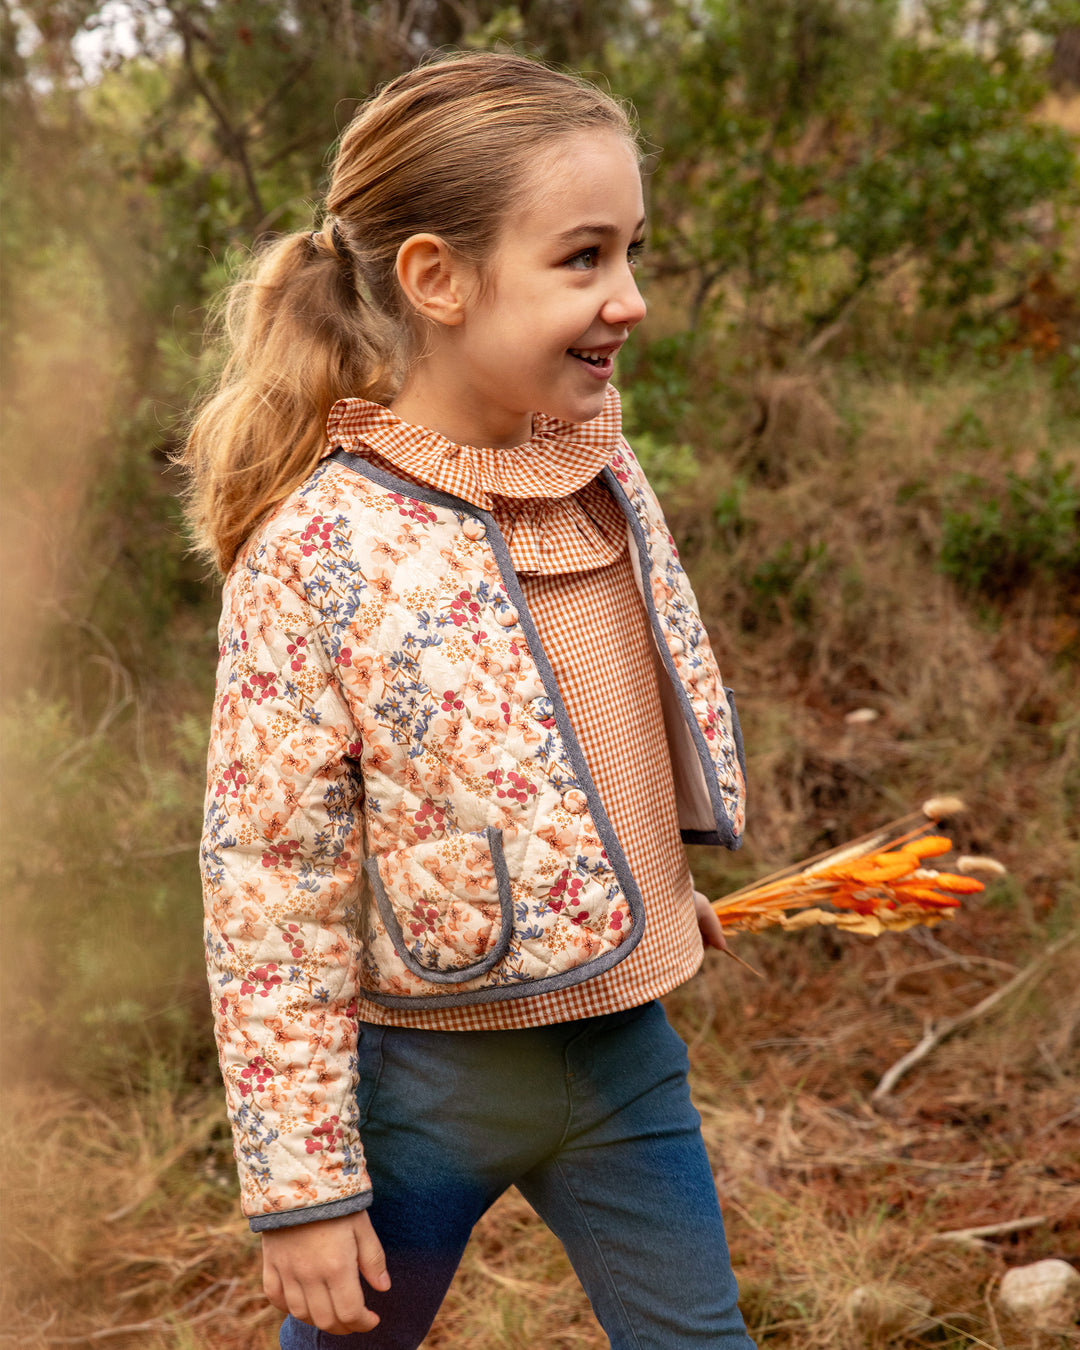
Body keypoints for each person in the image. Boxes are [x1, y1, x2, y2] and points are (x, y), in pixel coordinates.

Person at [183, 51, 754, 1350]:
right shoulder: (318, 551)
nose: (633, 299)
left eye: (634, 252)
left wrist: (646, 891)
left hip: (623, 1061)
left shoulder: (602, 472)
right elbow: (272, 879)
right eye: (585, 258)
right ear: (436, 278)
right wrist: (303, 1192)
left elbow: (589, 736)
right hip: (421, 1092)